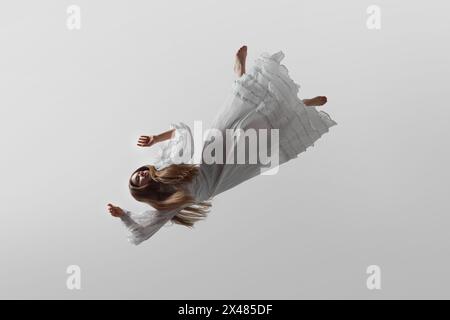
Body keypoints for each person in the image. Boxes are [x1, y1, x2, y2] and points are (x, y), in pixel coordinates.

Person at [107, 46, 336, 245]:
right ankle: (303, 106)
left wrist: (156, 138)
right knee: (261, 137)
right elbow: (142, 232)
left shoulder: (167, 166)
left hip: (208, 155)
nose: (141, 174)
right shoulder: (165, 205)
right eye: (138, 180)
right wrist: (123, 216)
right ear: (144, 190)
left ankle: (241, 74)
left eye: (138, 172)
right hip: (220, 176)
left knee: (237, 116)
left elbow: (180, 132)